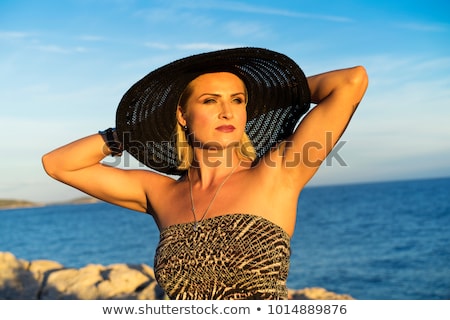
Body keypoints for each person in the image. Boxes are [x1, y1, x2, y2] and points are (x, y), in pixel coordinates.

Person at [42, 47, 368, 300]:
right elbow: (58, 163)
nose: (227, 111)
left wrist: (269, 97)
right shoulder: (161, 193)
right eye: (211, 100)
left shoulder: (278, 172)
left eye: (238, 101)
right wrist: (131, 132)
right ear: (182, 115)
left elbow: (351, 81)